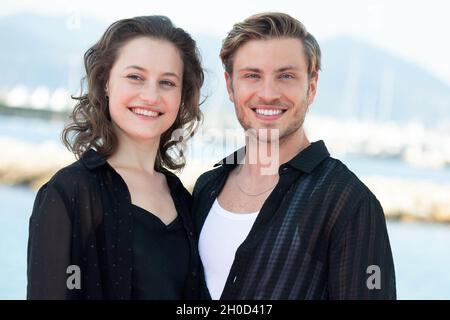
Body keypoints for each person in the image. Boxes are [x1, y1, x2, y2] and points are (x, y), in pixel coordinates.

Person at [192, 12, 396, 299]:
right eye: (252, 75)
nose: (268, 93)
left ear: (311, 87)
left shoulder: (348, 201)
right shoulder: (207, 186)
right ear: (230, 86)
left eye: (286, 76)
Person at [27, 15, 204, 300]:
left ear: (183, 95)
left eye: (167, 82)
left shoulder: (183, 199)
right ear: (106, 82)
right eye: (135, 77)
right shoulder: (70, 192)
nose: (150, 95)